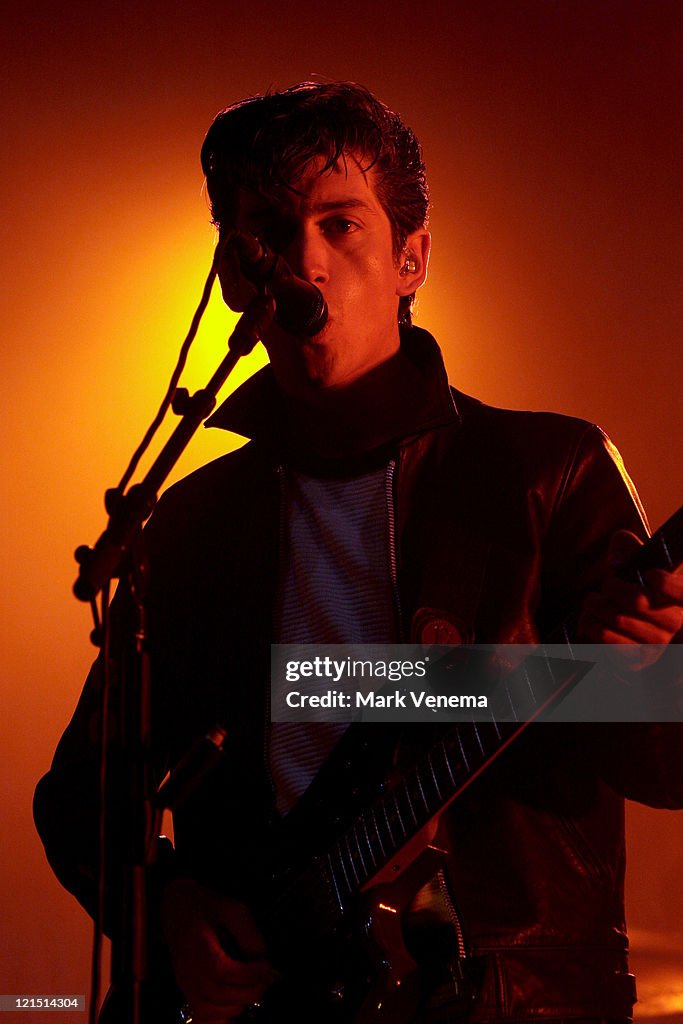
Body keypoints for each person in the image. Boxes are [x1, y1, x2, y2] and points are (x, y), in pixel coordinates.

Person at [35, 82, 683, 1024]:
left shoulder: (542, 473)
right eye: (270, 231)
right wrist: (165, 909)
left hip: (496, 997)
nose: (306, 260)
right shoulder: (192, 521)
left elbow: (666, 768)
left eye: (342, 225)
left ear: (410, 257)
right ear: (231, 272)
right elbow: (80, 798)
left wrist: (647, 673)